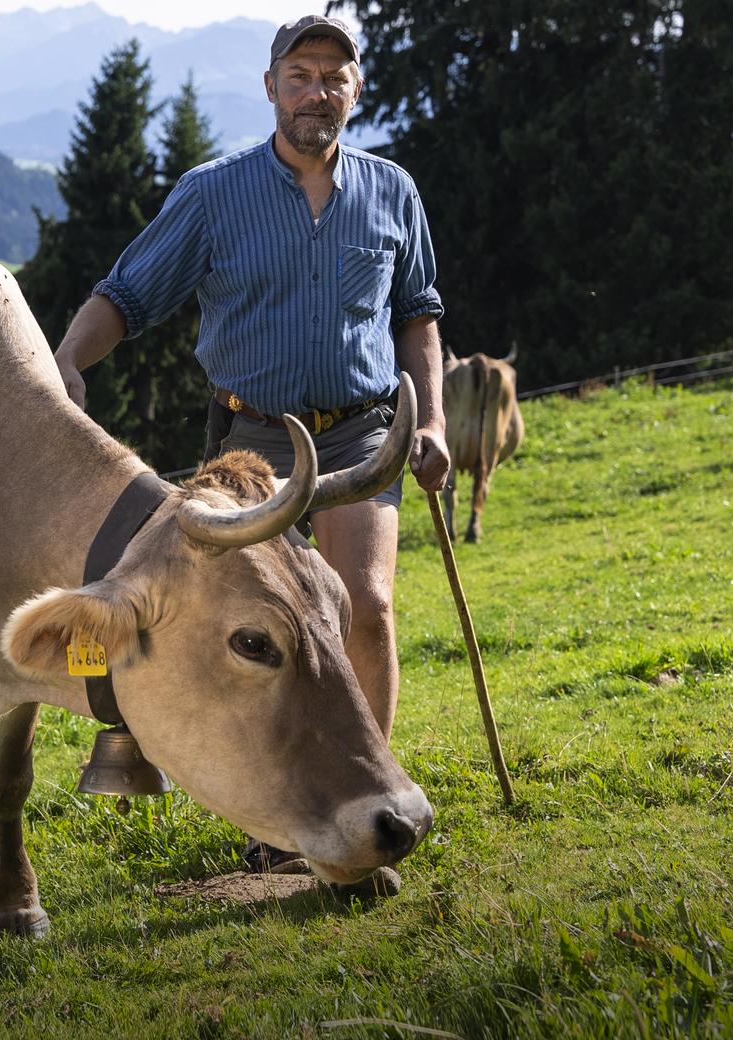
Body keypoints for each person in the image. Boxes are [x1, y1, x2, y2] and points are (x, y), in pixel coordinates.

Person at [51, 15, 451, 880]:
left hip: (362, 434)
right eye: (300, 74)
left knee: (364, 607)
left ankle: (363, 810)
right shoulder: (213, 193)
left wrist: (434, 423)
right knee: (275, 628)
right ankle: (286, 818)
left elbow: (419, 314)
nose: (318, 90)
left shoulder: (392, 191)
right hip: (256, 451)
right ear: (271, 87)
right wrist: (67, 360)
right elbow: (128, 292)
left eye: (334, 76)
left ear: (355, 90)